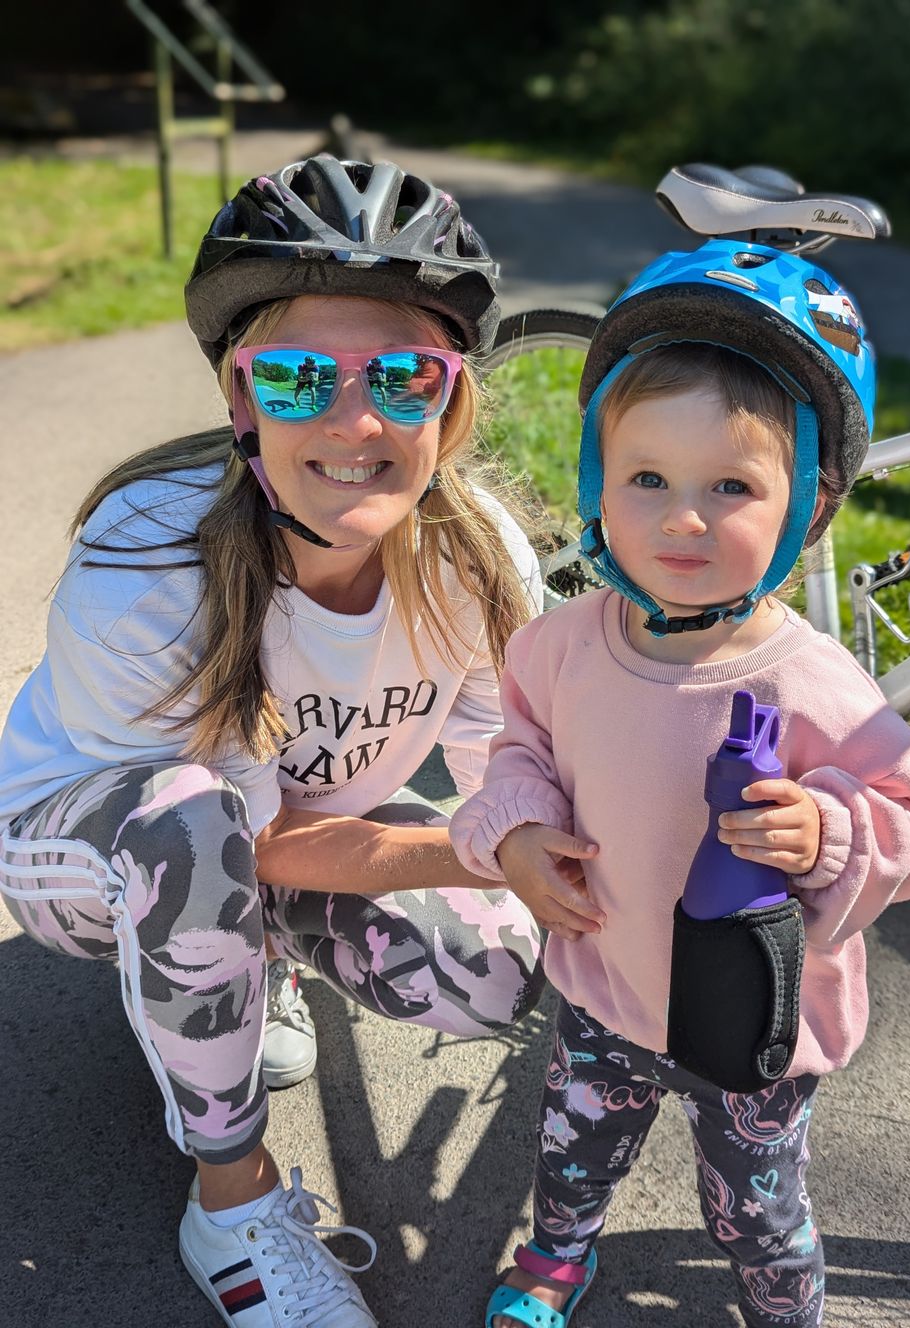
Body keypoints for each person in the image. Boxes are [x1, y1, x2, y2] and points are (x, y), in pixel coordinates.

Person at [0, 156, 547, 1328]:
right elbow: (237, 831)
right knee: (194, 831)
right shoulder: (146, 557)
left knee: (494, 963)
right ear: (241, 401)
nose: (357, 420)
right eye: (301, 378)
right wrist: (466, 850)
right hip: (92, 848)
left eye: (405, 375)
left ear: (449, 404)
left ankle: (240, 971)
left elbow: (516, 768)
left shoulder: (480, 558)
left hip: (275, 834)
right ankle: (232, 1204)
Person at [450, 239, 910, 1328]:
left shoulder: (816, 679)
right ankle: (555, 1252)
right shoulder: (558, 646)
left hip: (753, 1021)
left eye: (731, 484)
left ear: (806, 506)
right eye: (647, 479)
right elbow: (518, 748)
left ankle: (780, 1302)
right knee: (573, 1149)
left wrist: (825, 830)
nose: (684, 515)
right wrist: (520, 830)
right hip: (602, 991)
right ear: (596, 484)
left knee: (759, 1205)